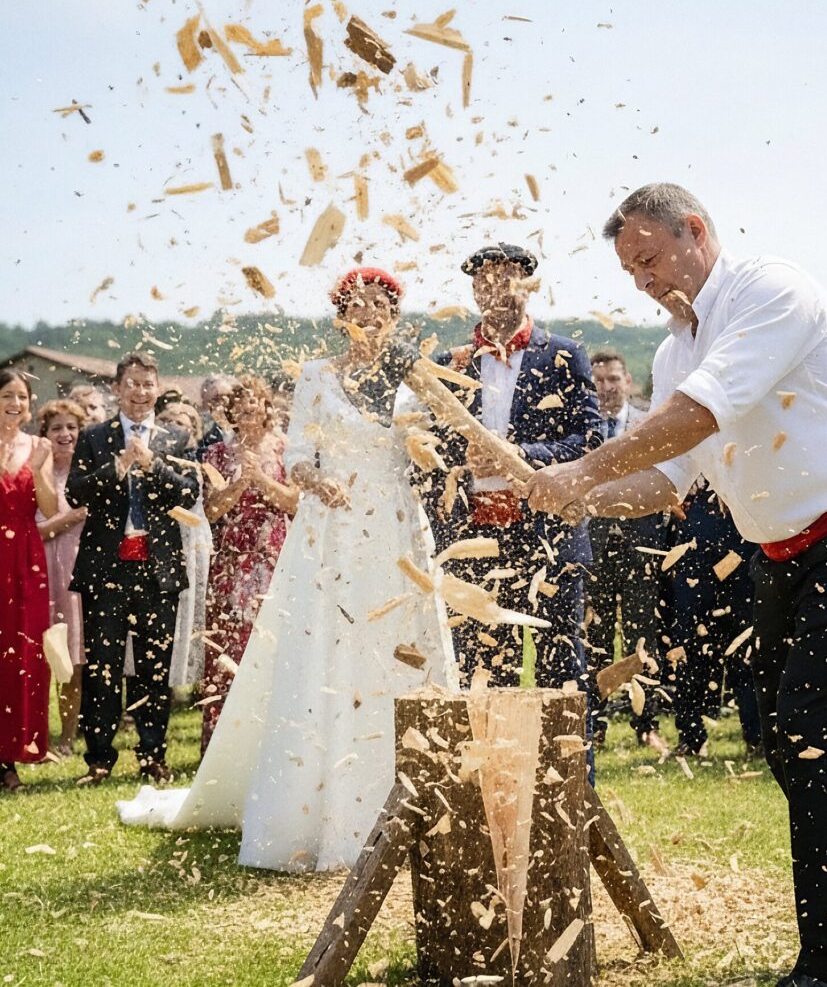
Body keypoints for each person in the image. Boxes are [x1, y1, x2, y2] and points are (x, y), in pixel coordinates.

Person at [524, 184, 827, 987]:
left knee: (812, 744)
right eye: (629, 269)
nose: (642, 279)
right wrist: (573, 491)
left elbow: (696, 419)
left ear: (696, 231)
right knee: (800, 745)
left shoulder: (768, 290)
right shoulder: (678, 348)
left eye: (649, 258)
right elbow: (669, 478)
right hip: (783, 553)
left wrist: (581, 465)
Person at [117, 268, 458, 872]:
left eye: (381, 306)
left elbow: (439, 446)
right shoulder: (319, 377)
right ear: (341, 316)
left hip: (398, 530)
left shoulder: (411, 382)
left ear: (396, 317)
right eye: (358, 305)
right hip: (335, 533)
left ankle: (420, 797)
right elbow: (298, 456)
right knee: (332, 653)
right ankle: (323, 810)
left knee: (401, 650)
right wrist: (315, 480)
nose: (370, 315)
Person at [418, 243, 602, 700]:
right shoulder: (450, 364)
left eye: (507, 278)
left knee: (561, 664)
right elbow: (428, 448)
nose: (495, 288)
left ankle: (568, 771)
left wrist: (518, 452)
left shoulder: (564, 354)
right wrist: (460, 458)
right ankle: (489, 771)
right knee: (481, 666)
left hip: (547, 531)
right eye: (484, 280)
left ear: (528, 286)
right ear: (474, 290)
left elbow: (592, 439)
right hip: (473, 535)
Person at [67, 352, 198, 786]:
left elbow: (188, 493)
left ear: (157, 389)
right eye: (133, 383)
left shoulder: (176, 439)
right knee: (103, 665)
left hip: (156, 569)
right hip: (106, 567)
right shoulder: (94, 437)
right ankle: (99, 758)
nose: (140, 392)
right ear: (117, 389)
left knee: (152, 667)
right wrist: (119, 466)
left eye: (148, 384)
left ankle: (152, 754)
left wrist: (151, 465)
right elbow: (75, 492)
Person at [199, 376, 297, 751]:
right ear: (231, 412)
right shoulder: (217, 454)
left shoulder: (285, 448)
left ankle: (273, 743)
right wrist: (239, 485)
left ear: (267, 408)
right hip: (231, 561)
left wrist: (260, 479)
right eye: (240, 403)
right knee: (228, 647)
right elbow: (210, 511)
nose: (248, 409)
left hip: (273, 557)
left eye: (255, 402)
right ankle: (223, 744)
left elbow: (294, 503)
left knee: (270, 644)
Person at [585, 349, 671, 751]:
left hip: (641, 542)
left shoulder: (646, 424)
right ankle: (596, 723)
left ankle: (646, 723)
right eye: (599, 380)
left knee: (642, 636)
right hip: (595, 544)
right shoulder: (584, 424)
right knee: (595, 635)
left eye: (613, 379)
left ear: (628, 381)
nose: (607, 387)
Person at [661, 481, 761, 758]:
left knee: (745, 651)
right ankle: (691, 737)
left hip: (742, 549)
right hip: (695, 553)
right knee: (688, 647)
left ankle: (757, 738)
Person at [0, 370, 57, 791]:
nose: (14, 403)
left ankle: (9, 758)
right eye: (6, 395)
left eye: (22, 396)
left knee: (21, 654)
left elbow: (51, 507)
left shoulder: (40, 446)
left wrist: (38, 471)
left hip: (25, 559)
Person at [35, 399, 89, 757]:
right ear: (45, 435)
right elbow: (32, 532)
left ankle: (67, 739)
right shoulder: (35, 472)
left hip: (78, 574)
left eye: (71, 427)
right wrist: (72, 518)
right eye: (57, 428)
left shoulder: (88, 470)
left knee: (74, 659)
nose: (65, 434)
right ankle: (34, 738)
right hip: (41, 573)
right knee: (41, 660)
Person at [156, 400, 213, 691]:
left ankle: (185, 681)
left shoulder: (192, 461)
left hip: (189, 541)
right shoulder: (153, 455)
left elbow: (188, 499)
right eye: (166, 419)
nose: (172, 426)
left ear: (193, 430)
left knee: (189, 608)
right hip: (159, 541)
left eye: (181, 422)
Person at [196, 375, 236, 461]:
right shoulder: (197, 424)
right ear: (204, 395)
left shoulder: (238, 425)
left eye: (228, 396)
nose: (225, 401)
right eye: (217, 398)